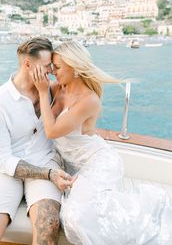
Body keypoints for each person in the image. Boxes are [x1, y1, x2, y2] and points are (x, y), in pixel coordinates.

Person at [32, 40, 172, 245]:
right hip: (75, 166)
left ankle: (156, 212)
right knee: (75, 216)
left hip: (99, 162)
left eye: (58, 67)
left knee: (76, 217)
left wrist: (43, 92)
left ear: (76, 67)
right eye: (52, 67)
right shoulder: (60, 88)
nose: (53, 72)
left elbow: (52, 131)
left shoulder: (89, 100)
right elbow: (37, 105)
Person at [0, 37, 73, 245]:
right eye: (46, 67)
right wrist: (49, 174)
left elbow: (84, 88)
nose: (51, 71)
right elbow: (1, 160)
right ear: (28, 64)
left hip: (45, 160)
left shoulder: (54, 91)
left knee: (49, 225)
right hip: (6, 169)